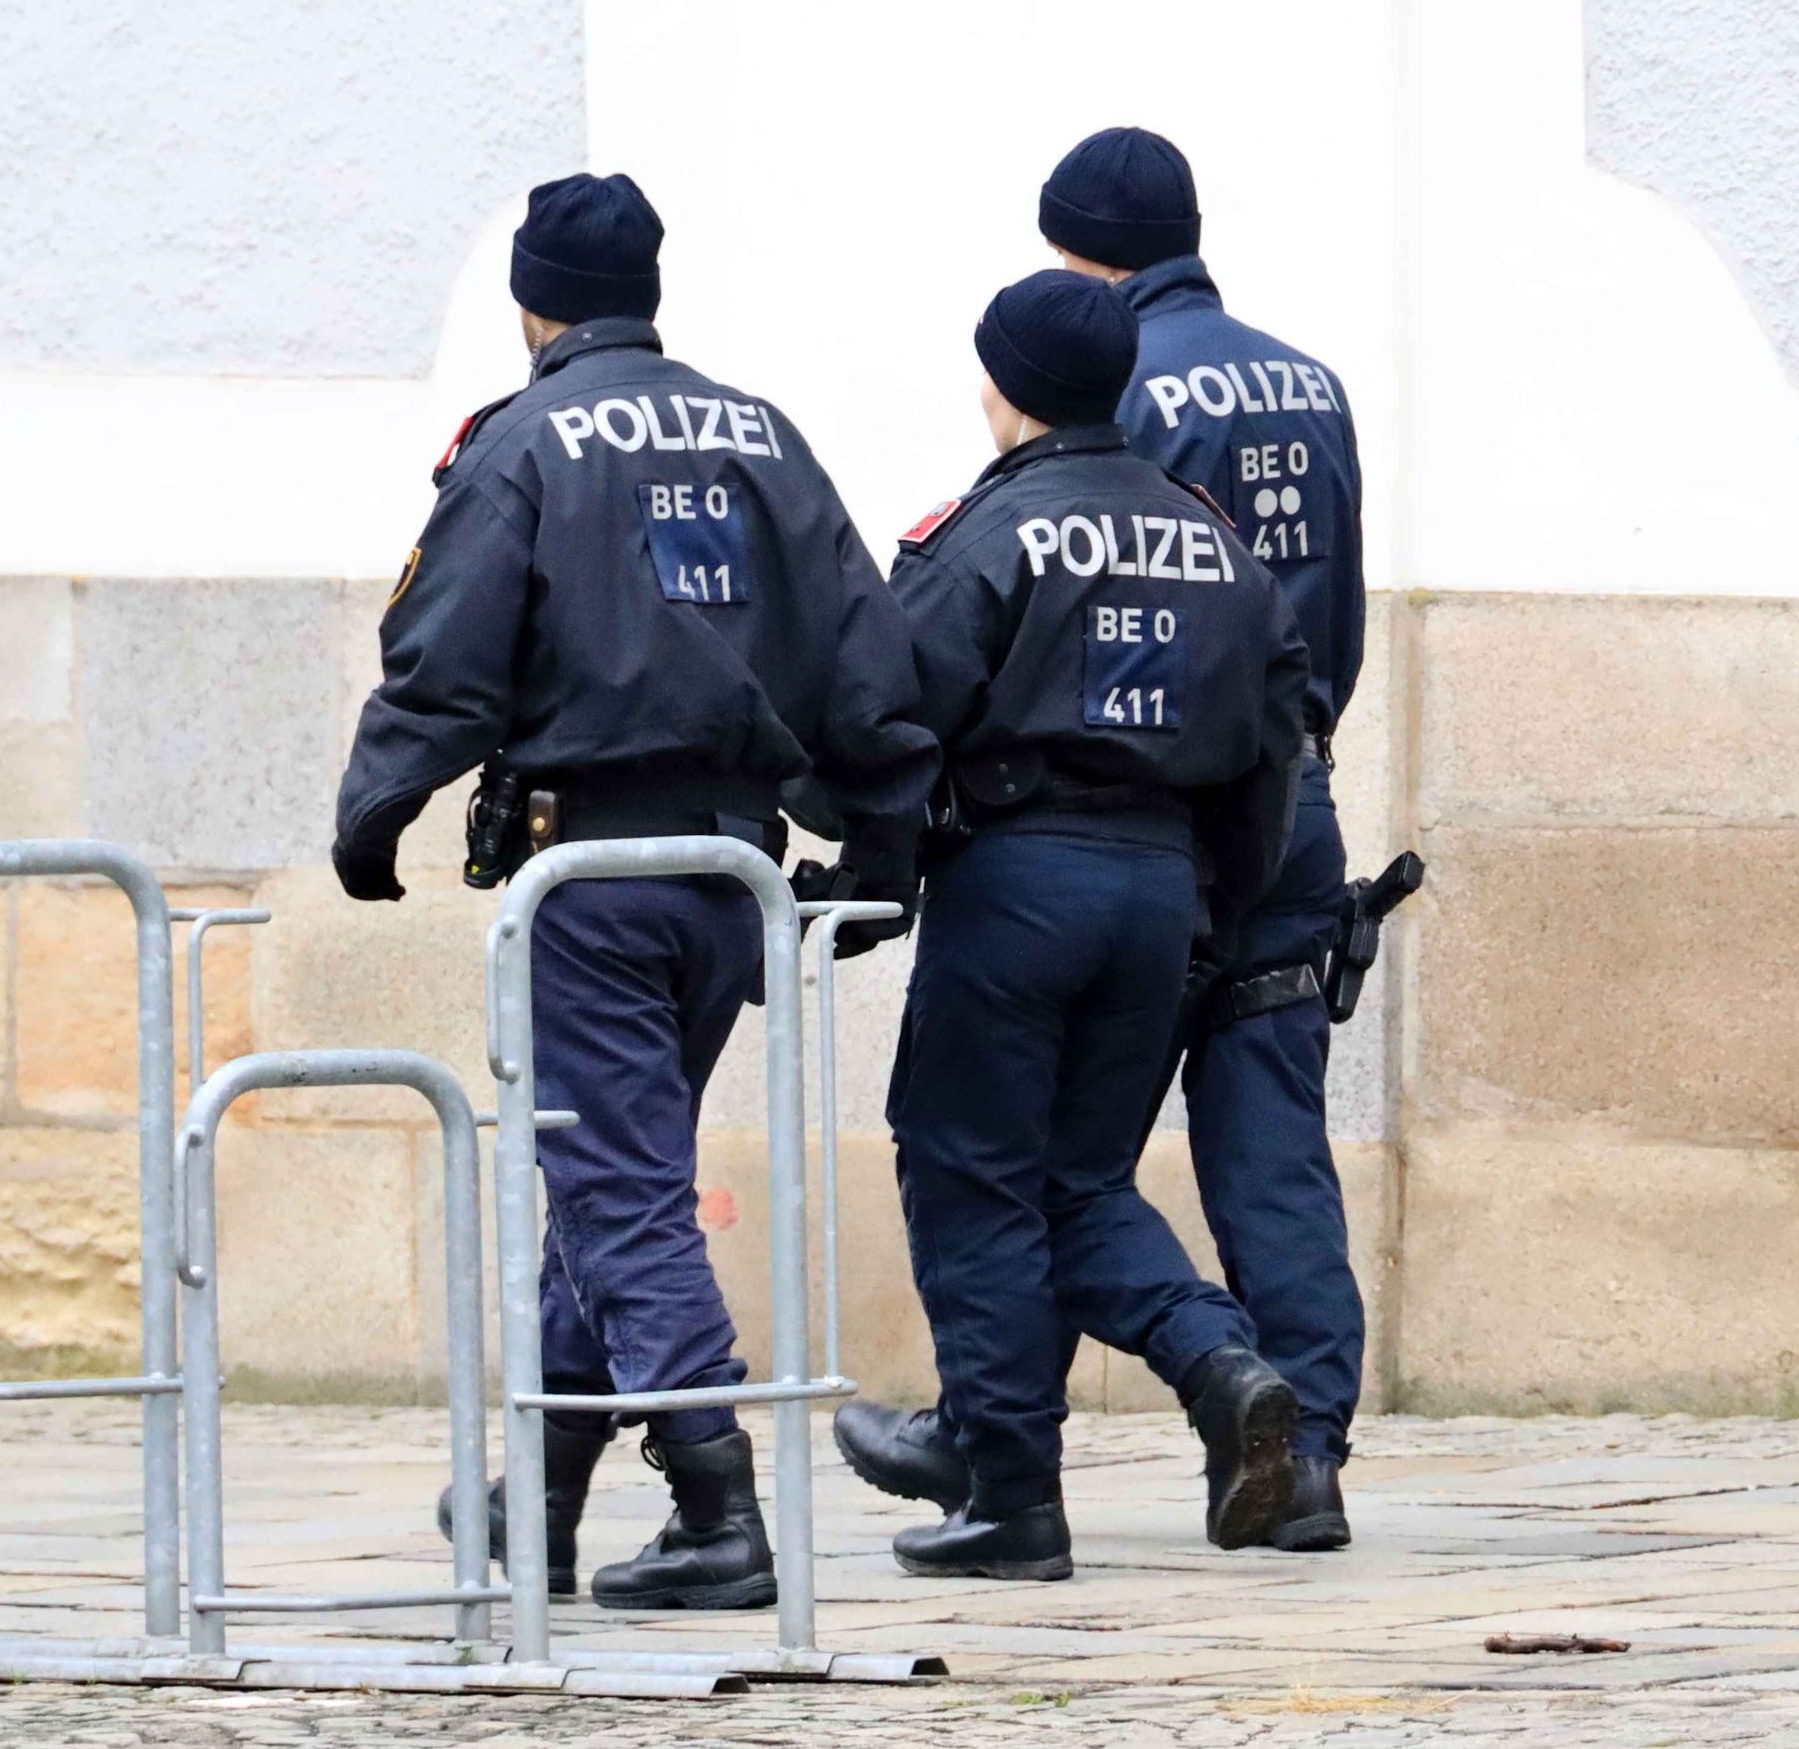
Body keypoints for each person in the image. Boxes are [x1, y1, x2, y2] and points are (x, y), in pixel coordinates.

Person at [331, 172, 932, 1612]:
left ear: (534, 303)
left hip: (589, 878)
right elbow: (862, 650)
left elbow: (447, 645)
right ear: (648, 296)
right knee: (609, 1184)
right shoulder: (759, 435)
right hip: (728, 876)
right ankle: (537, 1501)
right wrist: (887, 843)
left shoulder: (526, 439)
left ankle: (718, 1505)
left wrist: (376, 809)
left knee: (621, 1188)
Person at [828, 271, 1313, 1580]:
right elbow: (1278, 746)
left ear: (1008, 386)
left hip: (1019, 885)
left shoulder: (987, 533)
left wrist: (866, 865)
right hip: (1161, 891)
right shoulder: (1212, 537)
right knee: (1079, 1182)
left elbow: (886, 718)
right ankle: (1221, 1364)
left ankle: (1010, 1495)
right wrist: (1218, 900)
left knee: (972, 1174)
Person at [1035, 125, 1373, 1550]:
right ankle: (1308, 1462)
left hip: (1167, 816)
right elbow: (1339, 596)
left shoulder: (1126, 381)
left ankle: (1002, 1453)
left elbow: (1122, 596)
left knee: (1054, 1149)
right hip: (1297, 793)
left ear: (1084, 258)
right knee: (1270, 1145)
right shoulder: (1311, 378)